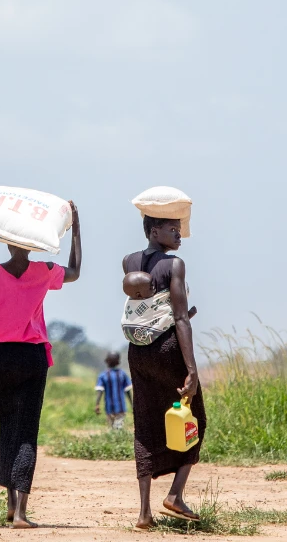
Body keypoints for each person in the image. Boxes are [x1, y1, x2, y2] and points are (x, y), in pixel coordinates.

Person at [0, 200, 82, 529]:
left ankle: (9, 506)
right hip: (32, 356)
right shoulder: (43, 271)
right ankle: (21, 514)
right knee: (27, 431)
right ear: (34, 246)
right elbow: (74, 272)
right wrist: (77, 230)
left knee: (7, 428)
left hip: (0, 354)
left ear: (5, 240)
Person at [123, 215, 205, 530]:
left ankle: (144, 514)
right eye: (173, 229)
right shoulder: (175, 264)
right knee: (194, 416)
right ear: (154, 231)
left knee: (145, 424)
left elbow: (145, 307)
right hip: (168, 349)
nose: (179, 234)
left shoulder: (128, 261)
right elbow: (180, 318)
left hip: (138, 351)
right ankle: (174, 495)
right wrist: (192, 370)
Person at [94, 352, 132, 429]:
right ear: (118, 362)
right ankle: (118, 439)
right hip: (121, 407)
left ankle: (115, 439)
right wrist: (132, 404)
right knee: (118, 427)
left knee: (111, 428)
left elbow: (100, 392)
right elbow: (128, 391)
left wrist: (97, 404)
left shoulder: (103, 375)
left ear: (106, 361)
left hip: (109, 408)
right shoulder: (122, 374)